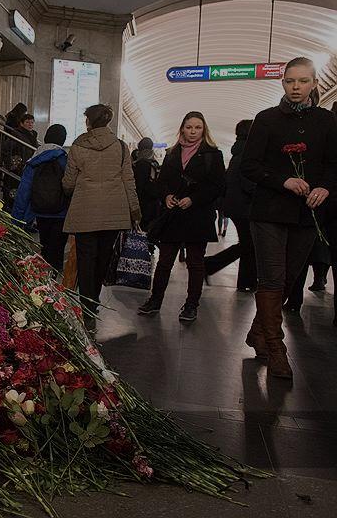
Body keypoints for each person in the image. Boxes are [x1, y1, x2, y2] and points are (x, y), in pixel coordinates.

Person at [240, 56, 337, 379]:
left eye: (302, 81)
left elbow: (333, 164)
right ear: (282, 83)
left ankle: (257, 331)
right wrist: (283, 180)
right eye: (289, 81)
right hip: (268, 211)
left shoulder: (326, 121)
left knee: (289, 278)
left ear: (313, 84)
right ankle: (276, 348)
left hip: (307, 213)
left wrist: (324, 187)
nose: (296, 87)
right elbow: (249, 165)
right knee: (271, 278)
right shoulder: (266, 119)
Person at [137, 112, 226, 322]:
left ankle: (191, 305)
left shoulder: (213, 154)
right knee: (165, 260)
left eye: (197, 127)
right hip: (173, 214)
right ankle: (155, 300)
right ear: (182, 129)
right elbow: (162, 181)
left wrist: (194, 199)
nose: (193, 132)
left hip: (198, 215)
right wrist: (166, 195)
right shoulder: (172, 153)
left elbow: (218, 185)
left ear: (204, 130)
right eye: (189, 127)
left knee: (196, 262)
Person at [63, 104, 141, 333]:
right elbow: (129, 181)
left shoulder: (78, 145)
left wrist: (71, 189)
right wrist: (135, 210)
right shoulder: (120, 146)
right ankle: (94, 299)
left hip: (85, 209)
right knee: (103, 257)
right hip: (113, 212)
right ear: (107, 121)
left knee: (87, 258)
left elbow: (69, 181)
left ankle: (87, 305)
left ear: (89, 121)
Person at [203, 120, 257, 291]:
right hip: (244, 207)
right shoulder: (248, 154)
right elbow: (248, 183)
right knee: (250, 244)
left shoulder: (238, 151)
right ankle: (212, 265)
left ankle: (245, 282)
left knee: (248, 245)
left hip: (236, 205)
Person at [12, 124, 70, 270]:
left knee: (44, 248)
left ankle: (45, 280)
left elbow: (24, 190)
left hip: (40, 211)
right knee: (57, 250)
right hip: (61, 212)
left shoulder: (35, 159)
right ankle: (56, 279)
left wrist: (16, 219)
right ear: (63, 140)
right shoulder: (66, 160)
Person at [131, 137, 161, 228]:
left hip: (143, 204)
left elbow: (139, 186)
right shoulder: (155, 163)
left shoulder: (141, 164)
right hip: (154, 204)